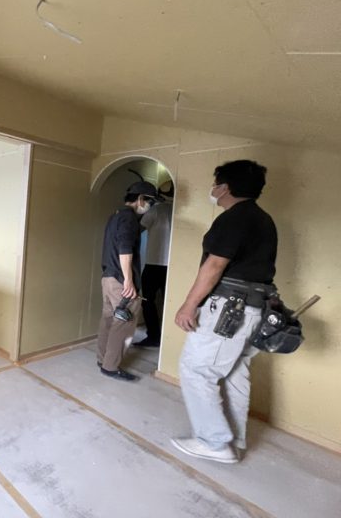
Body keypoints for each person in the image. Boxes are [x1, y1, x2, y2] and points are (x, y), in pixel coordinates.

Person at [172, 160, 277, 464]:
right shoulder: (263, 219)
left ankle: (215, 443)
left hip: (229, 310)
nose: (213, 189)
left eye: (215, 183)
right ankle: (235, 439)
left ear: (225, 188)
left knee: (196, 370)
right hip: (252, 309)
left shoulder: (234, 218)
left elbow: (215, 264)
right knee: (234, 372)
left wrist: (189, 304)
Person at [96, 180, 158, 381]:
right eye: (150, 202)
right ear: (140, 199)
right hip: (121, 282)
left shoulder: (115, 216)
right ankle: (111, 367)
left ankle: (103, 359)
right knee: (123, 324)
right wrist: (129, 281)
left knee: (108, 320)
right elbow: (125, 249)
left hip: (108, 278)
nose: (150, 206)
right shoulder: (129, 218)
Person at [135, 181, 174, 347]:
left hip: (154, 264)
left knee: (147, 301)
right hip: (173, 266)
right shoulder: (177, 211)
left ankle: (154, 337)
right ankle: (169, 339)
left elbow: (137, 230)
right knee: (169, 302)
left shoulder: (156, 211)